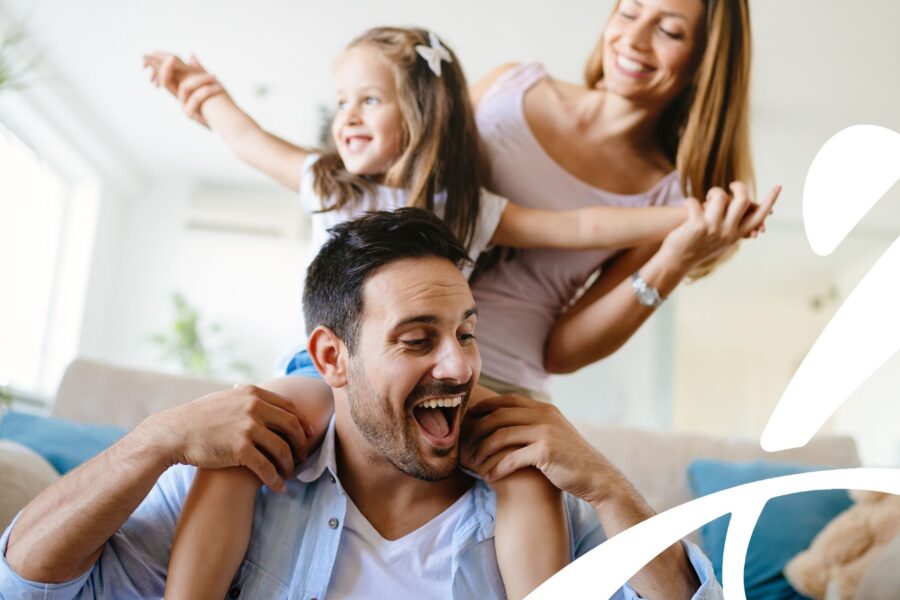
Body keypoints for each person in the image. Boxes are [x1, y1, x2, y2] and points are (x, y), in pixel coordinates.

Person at [142, 26, 771, 599]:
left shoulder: (471, 207)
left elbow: (581, 223)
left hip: (462, 391)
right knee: (246, 437)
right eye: (342, 103)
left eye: (368, 101)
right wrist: (205, 96)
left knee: (527, 477)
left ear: (417, 113)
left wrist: (692, 218)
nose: (347, 118)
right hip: (326, 378)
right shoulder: (330, 181)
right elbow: (250, 140)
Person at [1, 208, 722, 599]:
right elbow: (24, 585)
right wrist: (153, 440)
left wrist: (608, 486)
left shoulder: (537, 501)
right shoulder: (242, 476)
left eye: (467, 333)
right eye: (417, 340)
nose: (461, 364)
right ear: (330, 358)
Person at [468, 0, 776, 394]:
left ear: (705, 60)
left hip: (497, 383)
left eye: (669, 31)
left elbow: (560, 354)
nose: (633, 39)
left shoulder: (668, 197)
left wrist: (674, 260)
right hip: (386, 346)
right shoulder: (506, 86)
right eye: (629, 13)